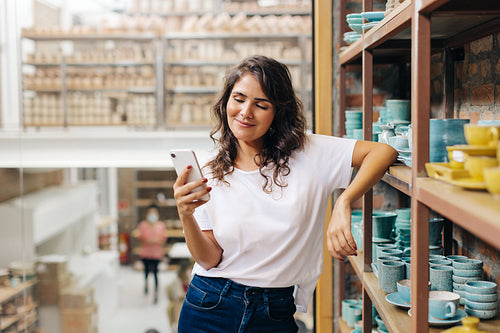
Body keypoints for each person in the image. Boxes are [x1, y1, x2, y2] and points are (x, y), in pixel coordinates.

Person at [173, 55, 397, 332]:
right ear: (226, 102)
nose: (245, 112)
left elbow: (383, 152)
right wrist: (186, 216)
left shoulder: (310, 152)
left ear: (278, 112)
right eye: (239, 98)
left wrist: (344, 200)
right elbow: (210, 259)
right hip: (208, 305)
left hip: (274, 309)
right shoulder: (210, 169)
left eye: (261, 104)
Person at [132, 203, 167, 304]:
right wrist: (147, 241)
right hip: (145, 253)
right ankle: (146, 285)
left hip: (157, 254)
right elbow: (139, 239)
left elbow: (164, 240)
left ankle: (156, 294)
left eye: (154, 213)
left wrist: (156, 240)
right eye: (150, 213)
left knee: (156, 273)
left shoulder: (161, 226)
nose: (152, 215)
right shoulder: (142, 225)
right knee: (146, 272)